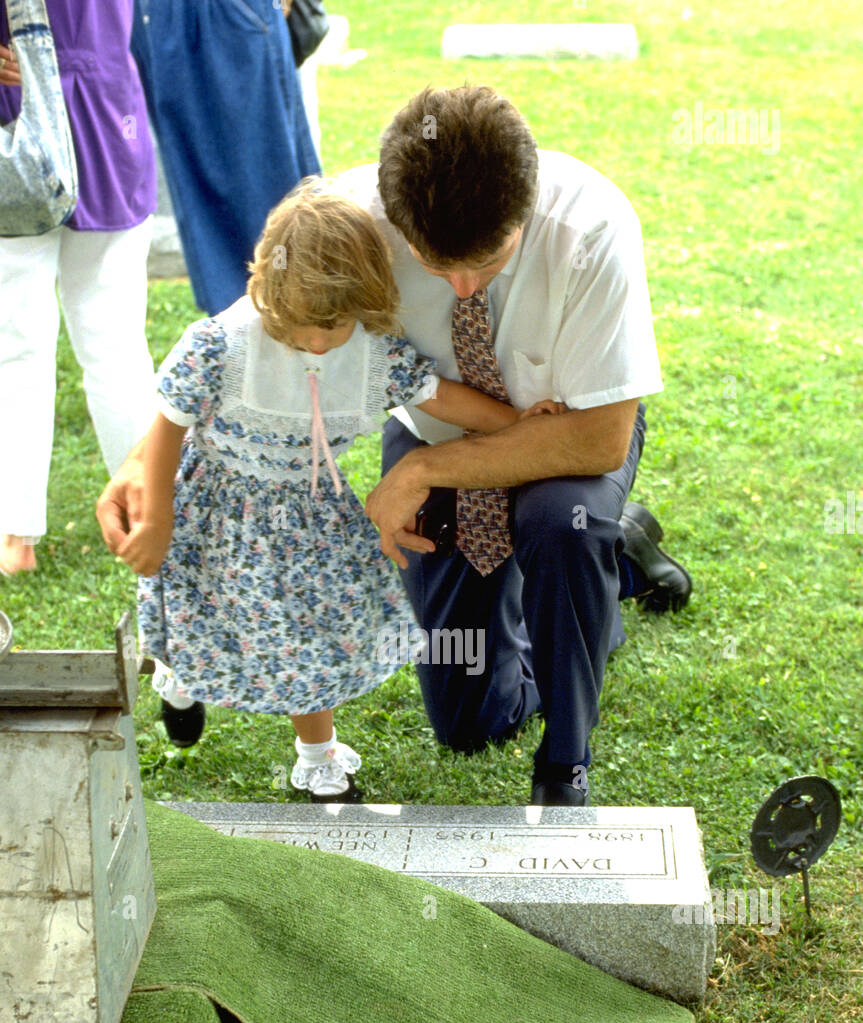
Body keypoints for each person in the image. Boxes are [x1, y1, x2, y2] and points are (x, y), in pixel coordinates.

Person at [115, 184, 562, 801]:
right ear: (265, 291)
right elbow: (169, 422)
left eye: (335, 325)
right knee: (202, 619)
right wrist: (159, 515)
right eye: (299, 328)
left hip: (306, 520)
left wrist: (519, 423)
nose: (320, 343)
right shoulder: (220, 345)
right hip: (213, 513)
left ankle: (318, 757)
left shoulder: (373, 355)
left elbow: (441, 397)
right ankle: (183, 681)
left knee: (309, 637)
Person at [353, 85, 692, 805]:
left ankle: (564, 762)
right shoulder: (352, 221)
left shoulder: (592, 224)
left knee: (556, 524)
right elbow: (258, 319)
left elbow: (600, 439)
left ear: (526, 206)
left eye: (486, 259)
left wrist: (422, 470)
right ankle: (616, 566)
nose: (460, 284)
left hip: (566, 448)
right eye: (433, 262)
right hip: (435, 432)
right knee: (468, 720)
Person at [0, 0, 157, 577]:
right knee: (36, 342)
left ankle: (143, 505)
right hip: (59, 122)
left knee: (92, 343)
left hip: (87, 116)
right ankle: (23, 527)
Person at [130, 0, 321, 316]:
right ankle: (248, 341)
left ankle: (296, 329)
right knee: (205, 199)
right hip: (162, 17)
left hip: (221, 16)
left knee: (276, 207)